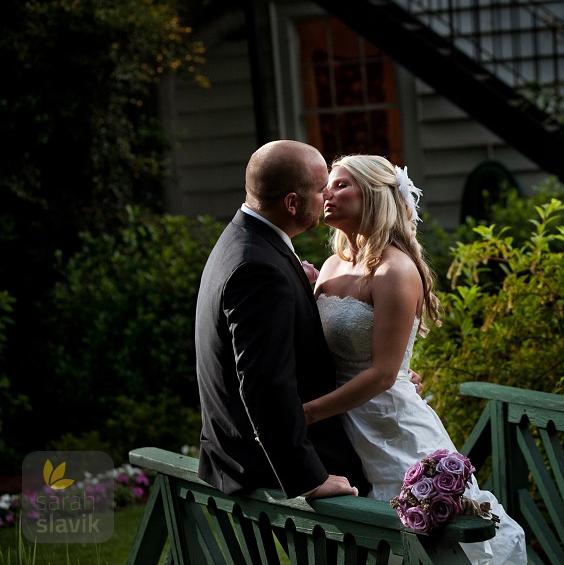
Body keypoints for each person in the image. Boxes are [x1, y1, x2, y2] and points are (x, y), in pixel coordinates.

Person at [303, 154, 528, 564]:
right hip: (342, 422)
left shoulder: (396, 270)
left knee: (422, 538)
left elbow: (384, 373)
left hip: (387, 425)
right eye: (326, 186)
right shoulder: (334, 263)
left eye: (340, 185)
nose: (326, 194)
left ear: (373, 195)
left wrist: (309, 413)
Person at [195, 140, 369, 499]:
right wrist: (310, 478)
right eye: (321, 190)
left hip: (236, 451)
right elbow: (264, 383)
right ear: (292, 203)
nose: (327, 199)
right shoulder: (259, 268)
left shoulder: (243, 239)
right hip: (267, 463)